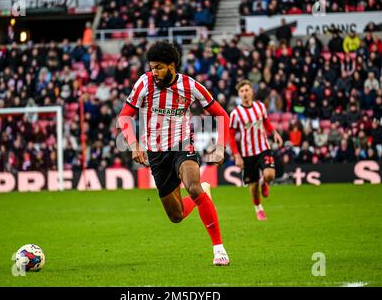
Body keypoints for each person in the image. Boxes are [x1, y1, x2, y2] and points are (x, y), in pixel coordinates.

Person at [117, 41, 231, 266]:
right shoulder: (144, 83)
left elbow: (222, 115)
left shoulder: (191, 86)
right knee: (176, 216)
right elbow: (124, 116)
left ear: (172, 66)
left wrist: (220, 146)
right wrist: (134, 145)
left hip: (182, 147)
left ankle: (219, 249)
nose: (154, 72)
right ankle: (203, 195)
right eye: (152, 67)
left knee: (193, 185)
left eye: (159, 67)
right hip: (156, 155)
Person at [229, 80, 283, 221]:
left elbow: (266, 122)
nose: (244, 93)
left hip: (263, 148)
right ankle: (259, 209)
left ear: (252, 92)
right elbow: (231, 136)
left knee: (270, 175)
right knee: (253, 188)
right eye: (242, 91)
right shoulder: (235, 114)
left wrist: (275, 133)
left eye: (247, 90)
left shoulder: (260, 106)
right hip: (247, 154)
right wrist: (237, 155)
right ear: (239, 94)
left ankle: (265, 182)